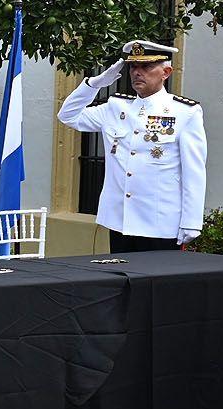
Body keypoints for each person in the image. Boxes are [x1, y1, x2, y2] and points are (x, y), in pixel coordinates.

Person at [56, 40, 206, 252]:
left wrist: (191, 220)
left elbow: (194, 171)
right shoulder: (115, 107)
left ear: (166, 72)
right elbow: (67, 115)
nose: (137, 72)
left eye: (146, 67)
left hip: (160, 223)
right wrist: (94, 84)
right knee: (123, 280)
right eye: (134, 66)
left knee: (159, 283)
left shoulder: (184, 112)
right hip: (121, 220)